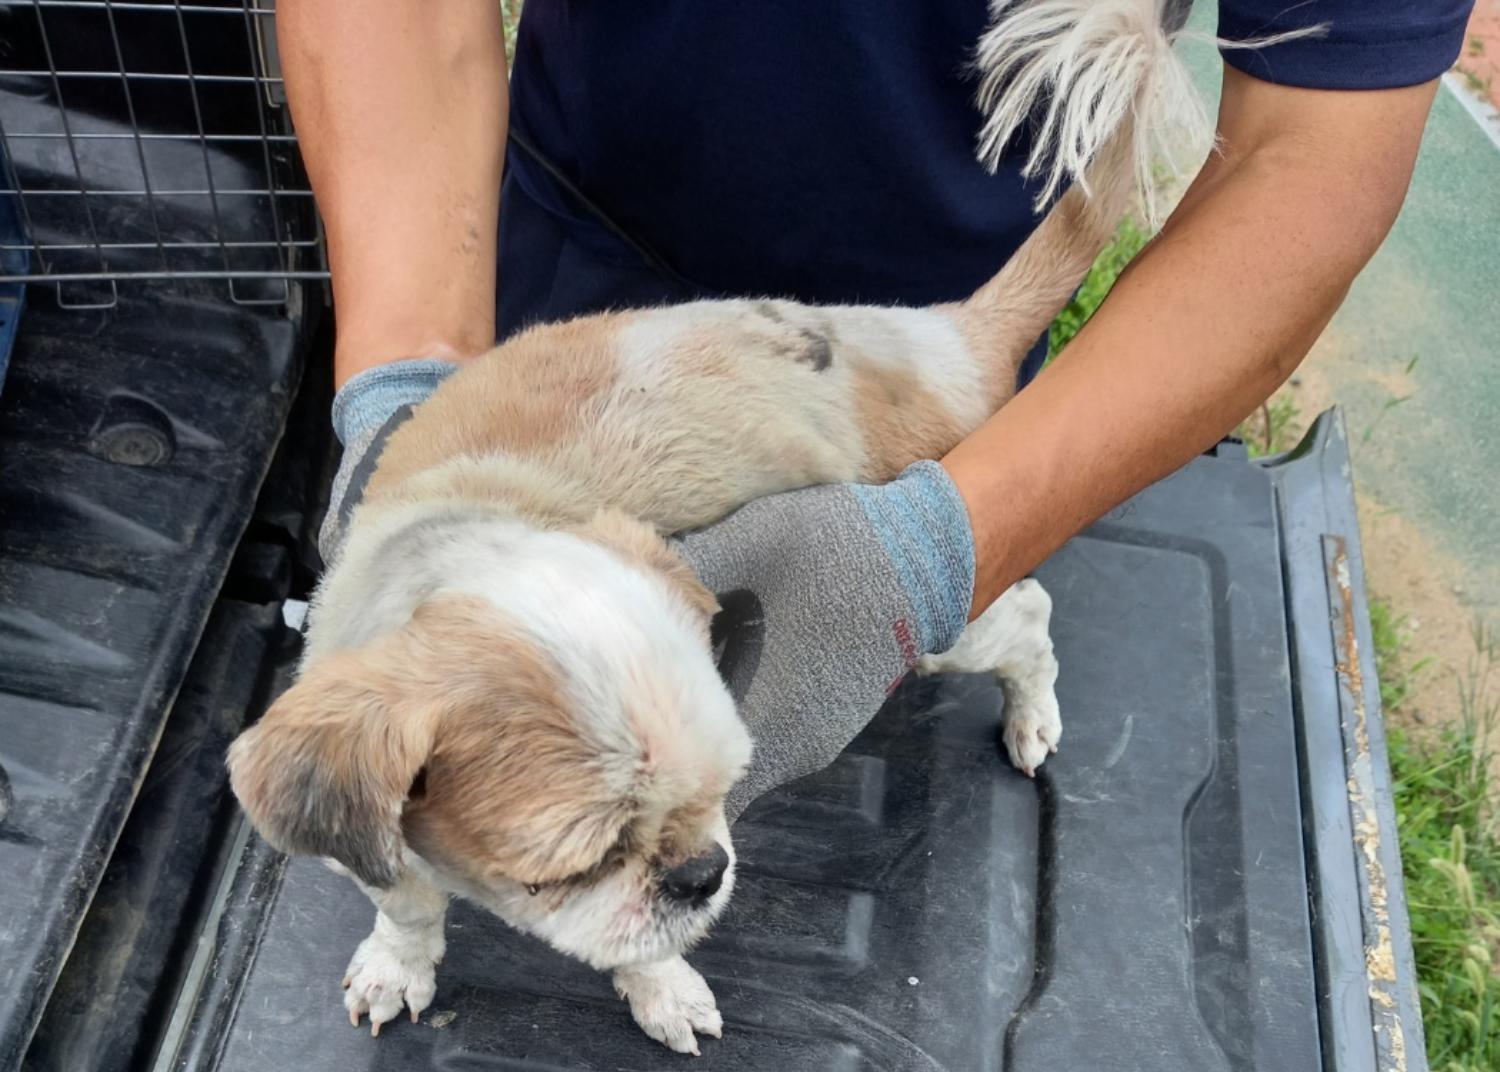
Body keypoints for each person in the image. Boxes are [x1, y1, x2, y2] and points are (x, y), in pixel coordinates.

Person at [278, 0, 1469, 763]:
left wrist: (942, 544)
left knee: (801, 762)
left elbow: (1310, 150)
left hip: (918, 369)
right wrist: (409, 375)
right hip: (575, 290)